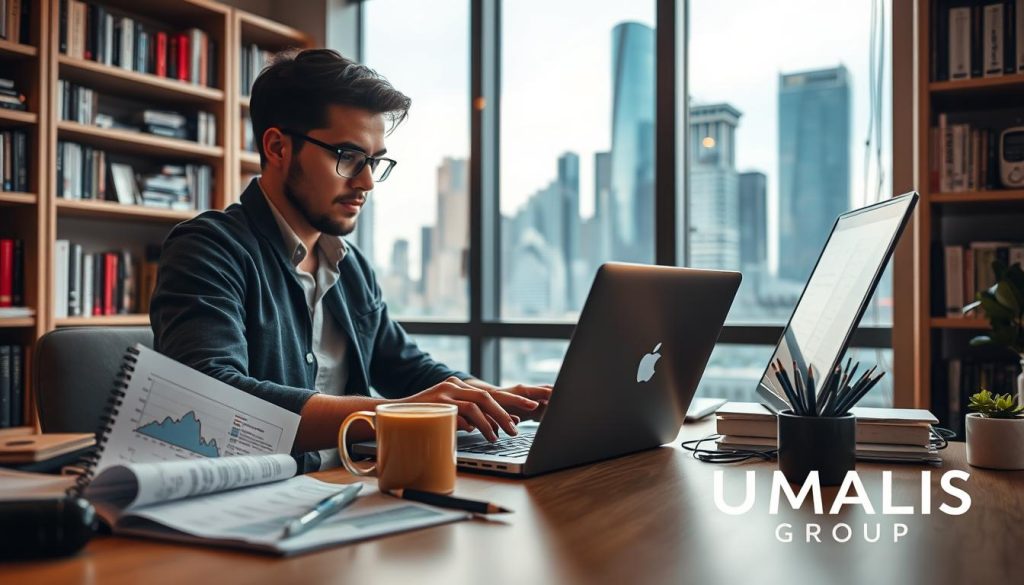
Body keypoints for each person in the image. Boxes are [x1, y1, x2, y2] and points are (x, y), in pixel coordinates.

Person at [150, 49, 551, 472]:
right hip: (255, 499)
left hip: (352, 488)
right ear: (278, 147)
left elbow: (408, 369)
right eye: (348, 157)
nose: (367, 182)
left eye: (375, 161)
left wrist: (494, 399)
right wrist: (396, 414)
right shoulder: (208, 248)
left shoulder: (350, 266)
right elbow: (213, 399)